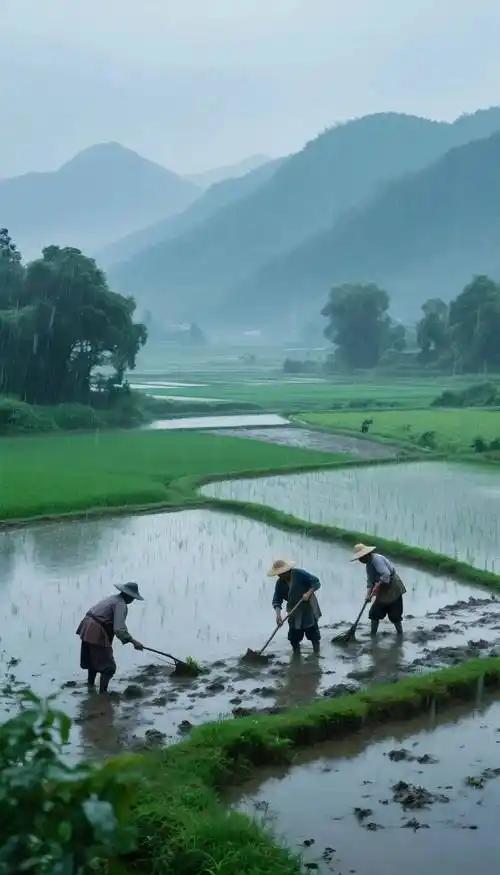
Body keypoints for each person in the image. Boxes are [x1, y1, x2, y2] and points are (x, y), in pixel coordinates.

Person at [76, 582, 144, 693]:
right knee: (109, 667)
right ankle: (103, 694)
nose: (132, 600)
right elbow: (118, 629)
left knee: (93, 662)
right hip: (96, 630)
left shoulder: (112, 598)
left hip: (86, 626)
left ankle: (90, 689)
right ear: (129, 596)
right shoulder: (121, 604)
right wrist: (133, 641)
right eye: (133, 598)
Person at [351, 543, 406, 637]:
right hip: (382, 589)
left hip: (392, 587)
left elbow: (386, 574)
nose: (360, 560)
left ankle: (400, 635)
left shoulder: (377, 560)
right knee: (374, 613)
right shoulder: (368, 565)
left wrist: (377, 586)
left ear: (367, 554)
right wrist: (368, 595)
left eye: (361, 558)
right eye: (359, 558)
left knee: (395, 616)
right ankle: (373, 634)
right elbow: (370, 582)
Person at [268, 559, 322, 654]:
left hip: (307, 606)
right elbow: (277, 600)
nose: (280, 575)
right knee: (294, 637)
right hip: (294, 610)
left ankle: (316, 655)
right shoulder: (280, 583)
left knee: (313, 634)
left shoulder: (299, 574)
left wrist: (308, 593)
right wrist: (278, 615)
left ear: (287, 570)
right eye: (278, 574)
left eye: (281, 573)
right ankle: (296, 657)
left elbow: (316, 582)